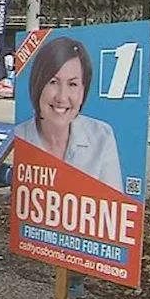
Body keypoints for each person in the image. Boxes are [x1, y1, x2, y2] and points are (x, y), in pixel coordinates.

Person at [15, 36, 123, 192]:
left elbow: (114, 205)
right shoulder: (18, 137)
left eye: (72, 84)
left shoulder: (102, 136)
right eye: (53, 82)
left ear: (83, 90)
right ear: (38, 84)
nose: (62, 97)